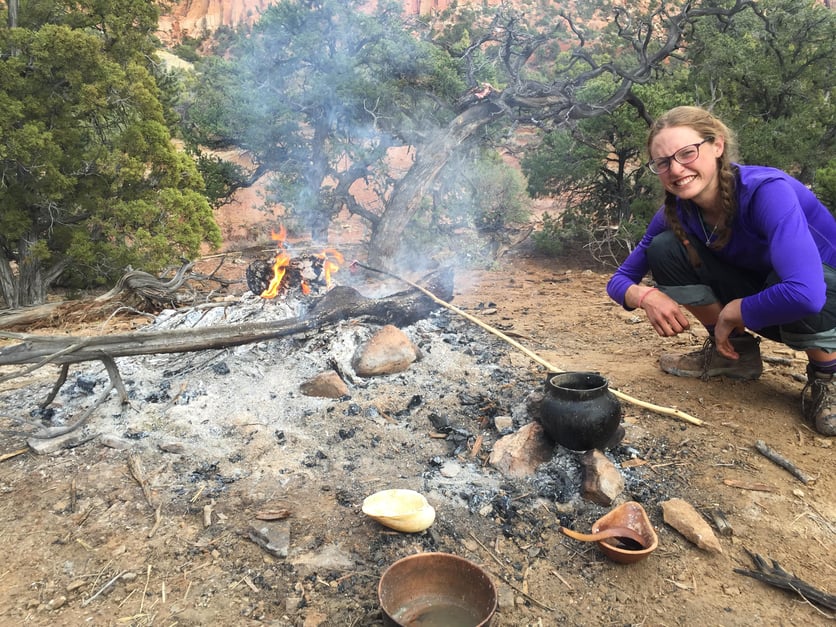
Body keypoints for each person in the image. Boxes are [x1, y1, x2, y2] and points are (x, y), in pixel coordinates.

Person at [606, 105, 836, 436]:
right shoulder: (678, 211)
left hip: (824, 301)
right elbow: (619, 280)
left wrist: (733, 312)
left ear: (717, 146)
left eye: (687, 153)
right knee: (665, 248)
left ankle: (827, 376)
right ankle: (734, 354)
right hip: (776, 298)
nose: (676, 168)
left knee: (788, 280)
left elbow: (806, 293)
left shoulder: (766, 191)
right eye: (663, 162)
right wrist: (644, 296)